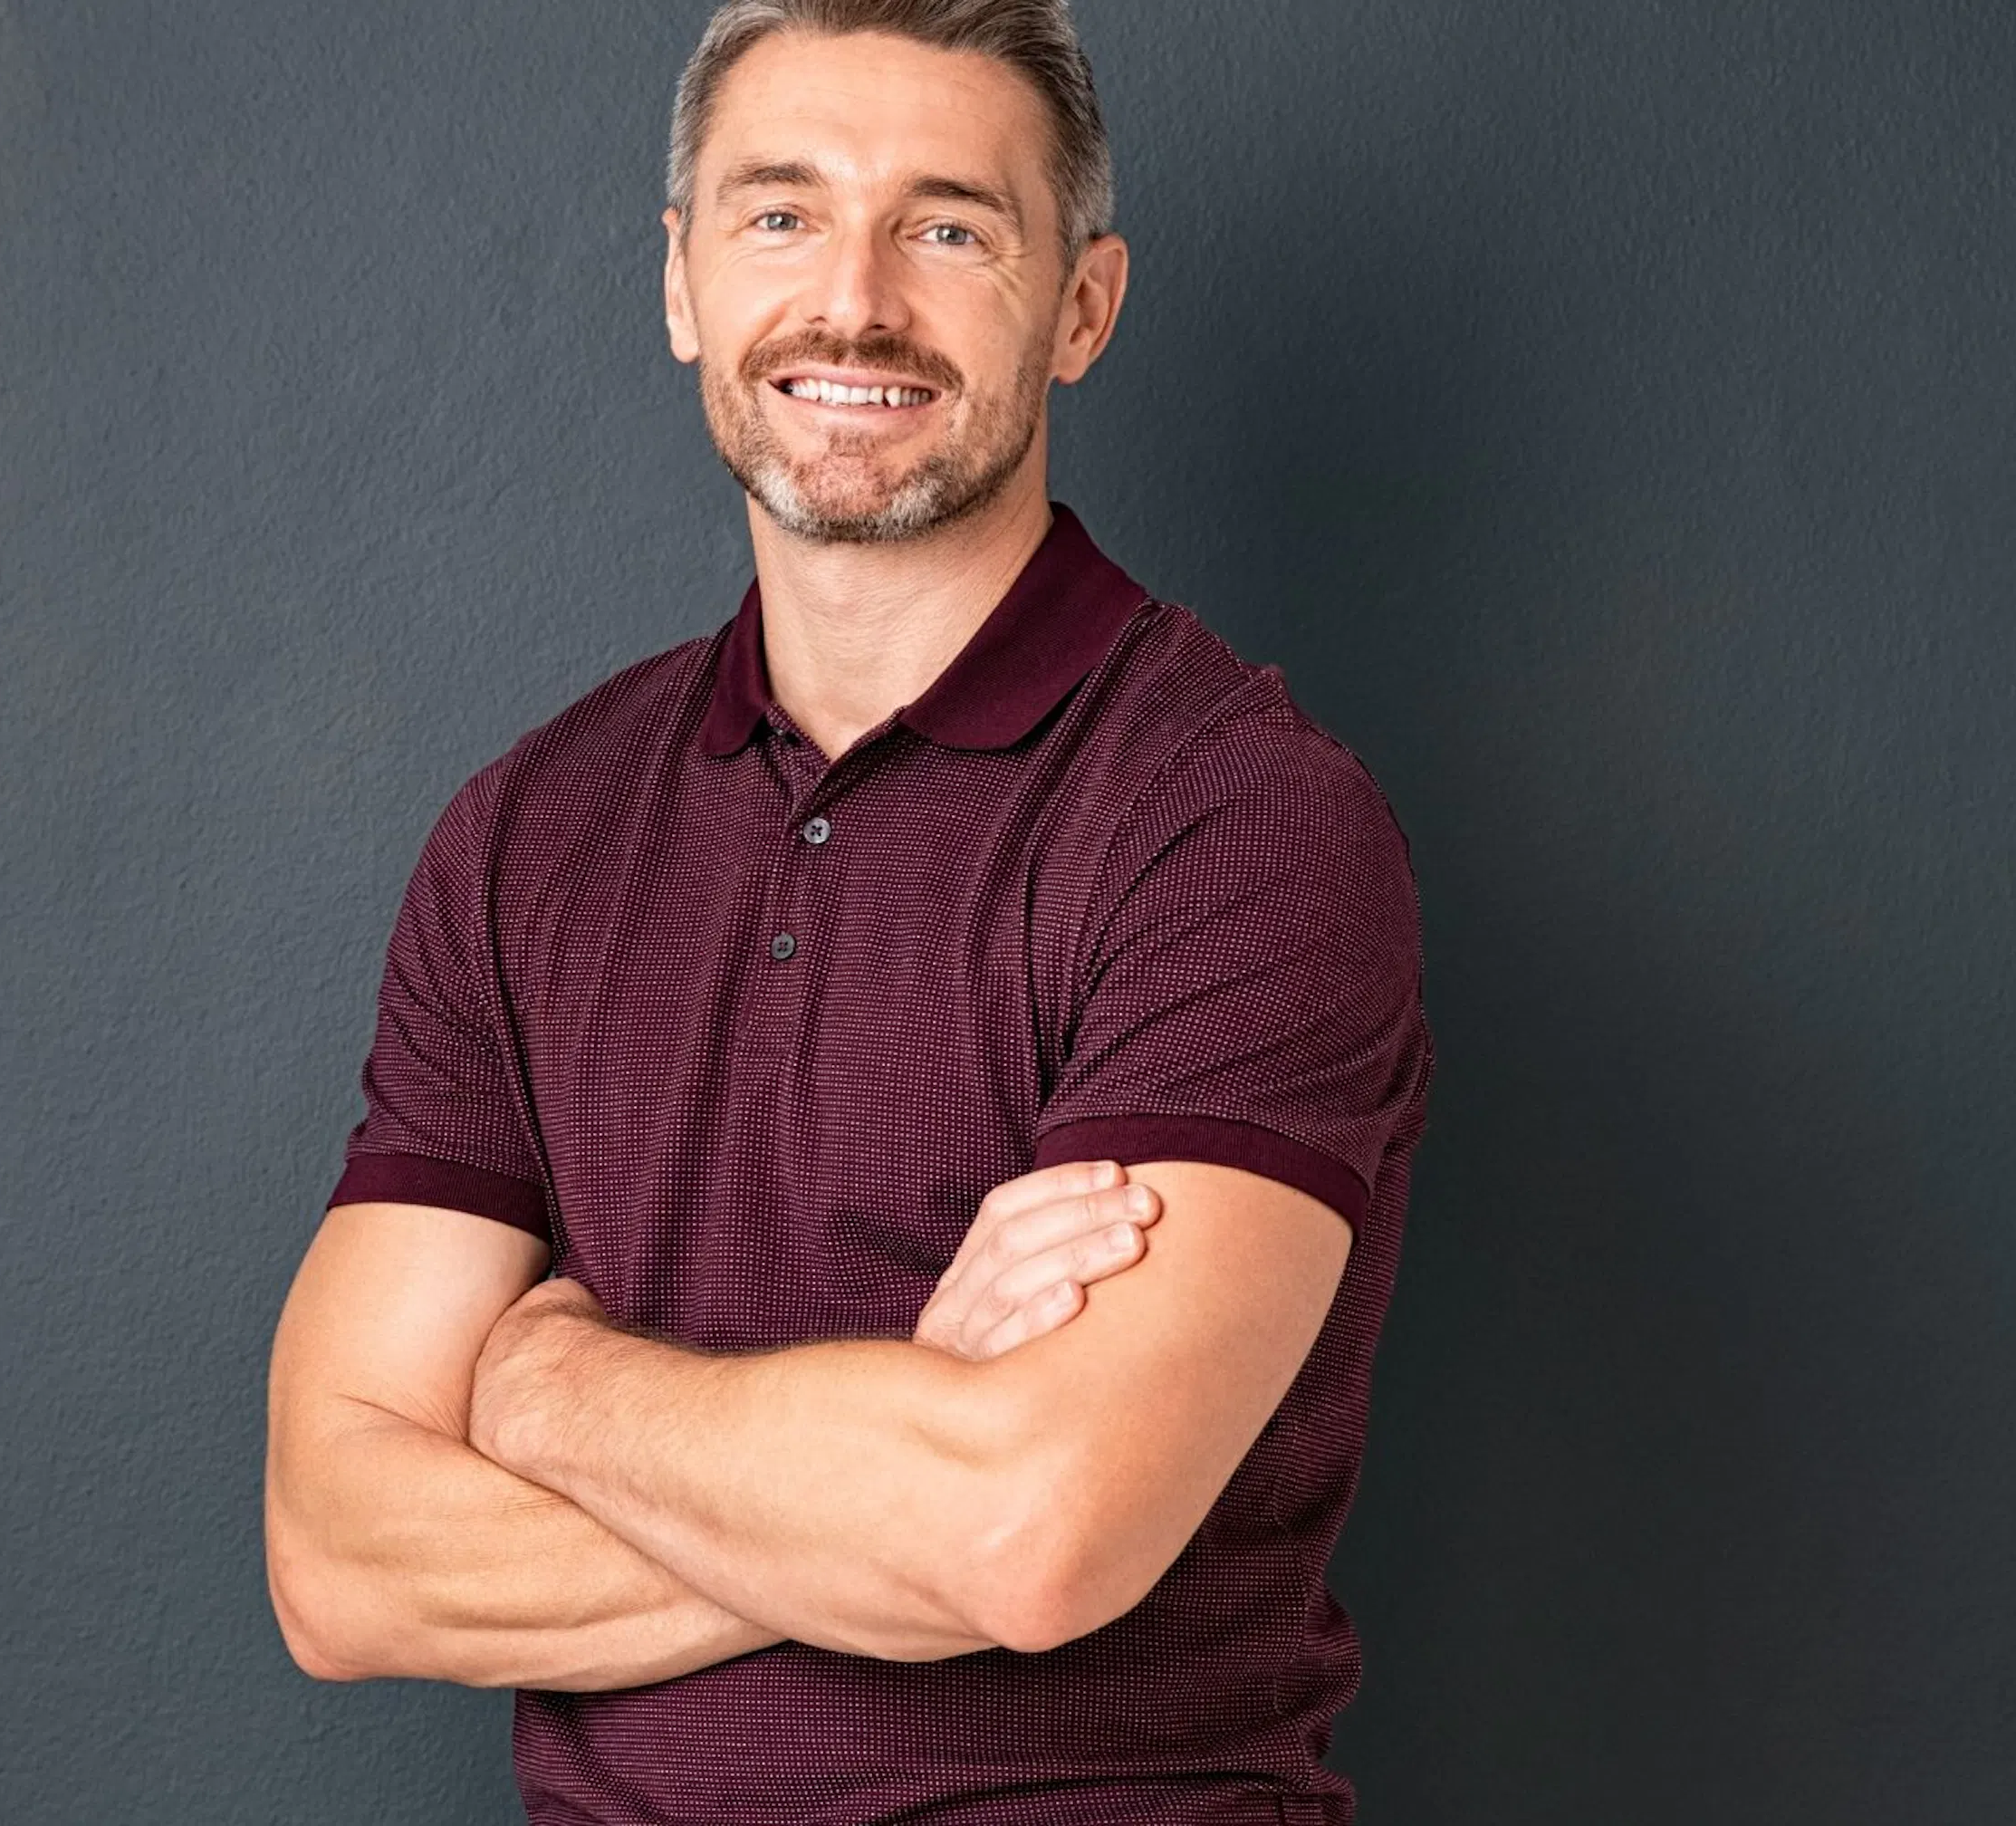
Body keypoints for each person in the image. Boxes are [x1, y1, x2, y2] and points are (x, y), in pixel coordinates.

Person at [263, 3, 1432, 1820]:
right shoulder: (529, 837)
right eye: (782, 213)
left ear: (1083, 306)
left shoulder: (1241, 820)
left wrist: (549, 1389)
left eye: (950, 224)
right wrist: (902, 1428)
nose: (857, 301)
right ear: (684, 284)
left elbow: (1026, 1532)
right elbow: (339, 1560)